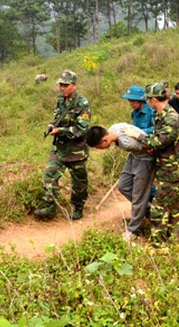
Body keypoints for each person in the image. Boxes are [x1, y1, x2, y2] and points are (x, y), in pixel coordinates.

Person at [124, 83, 179, 249]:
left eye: (148, 99)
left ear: (153, 99)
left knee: (157, 209)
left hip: (173, 169)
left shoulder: (171, 118)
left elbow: (157, 142)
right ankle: (175, 239)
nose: (147, 102)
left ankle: (158, 246)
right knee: (174, 208)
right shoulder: (161, 115)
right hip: (168, 168)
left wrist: (137, 135)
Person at [35, 70, 91, 221]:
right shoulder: (61, 100)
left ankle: (78, 208)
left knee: (79, 182)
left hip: (76, 150)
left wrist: (60, 131)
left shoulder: (82, 103)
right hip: (60, 148)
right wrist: (53, 125)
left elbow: (81, 129)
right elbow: (57, 116)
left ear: (74, 85)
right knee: (49, 175)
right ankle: (50, 206)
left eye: (66, 85)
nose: (63, 88)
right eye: (61, 85)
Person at [85, 123, 154, 242]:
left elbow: (150, 148)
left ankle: (133, 230)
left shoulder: (126, 143)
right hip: (134, 156)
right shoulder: (113, 128)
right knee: (123, 186)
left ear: (105, 140)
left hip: (146, 159)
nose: (99, 149)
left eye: (98, 147)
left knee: (138, 196)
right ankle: (147, 209)